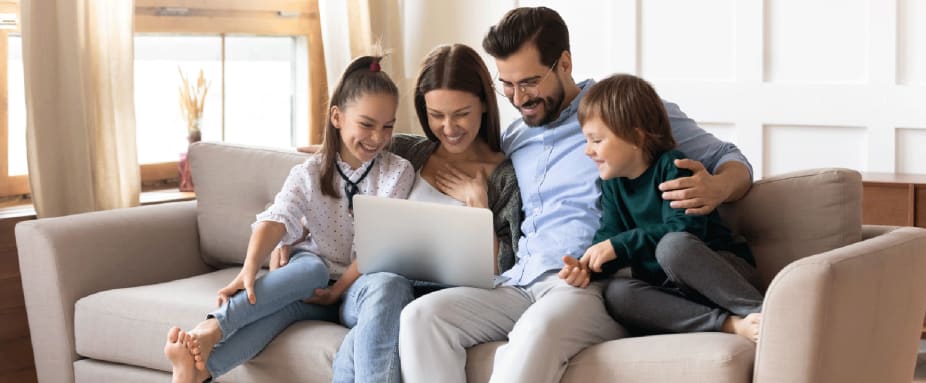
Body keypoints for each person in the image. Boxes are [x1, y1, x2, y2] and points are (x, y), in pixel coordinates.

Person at [398, 7, 755, 383]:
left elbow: (729, 157)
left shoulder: (619, 113)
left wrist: (716, 188)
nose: (518, 98)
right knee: (422, 317)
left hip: (587, 287)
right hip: (520, 282)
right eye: (506, 84)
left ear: (564, 63)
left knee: (535, 333)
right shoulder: (515, 138)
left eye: (529, 82)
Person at [163, 55, 416, 383]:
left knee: (386, 284)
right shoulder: (309, 172)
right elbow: (277, 217)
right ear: (337, 117)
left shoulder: (396, 172)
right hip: (310, 283)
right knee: (307, 271)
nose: (378, 137)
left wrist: (338, 290)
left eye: (388, 126)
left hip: (357, 287)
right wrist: (250, 268)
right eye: (367, 124)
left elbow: (377, 245)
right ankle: (203, 354)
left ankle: (211, 333)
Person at [277, 43, 522, 278]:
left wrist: (479, 206)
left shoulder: (504, 178)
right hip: (387, 284)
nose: (448, 128)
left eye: (462, 114)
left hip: (445, 298)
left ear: (484, 105)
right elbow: (344, 175)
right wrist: (291, 235)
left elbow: (500, 272)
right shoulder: (408, 151)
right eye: (436, 115)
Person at [559, 73, 763, 342]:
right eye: (587, 141)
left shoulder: (674, 167)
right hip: (676, 290)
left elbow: (684, 229)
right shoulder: (612, 184)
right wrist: (588, 265)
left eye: (596, 141)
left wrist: (618, 245)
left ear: (635, 138)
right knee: (618, 293)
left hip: (720, 274)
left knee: (672, 247)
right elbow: (609, 235)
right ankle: (731, 325)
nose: (588, 151)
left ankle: (764, 312)